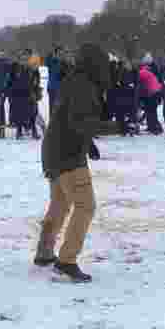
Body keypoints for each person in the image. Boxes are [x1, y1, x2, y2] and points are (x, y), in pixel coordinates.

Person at [35, 42, 110, 282]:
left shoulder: (74, 81)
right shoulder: (84, 86)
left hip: (54, 150)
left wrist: (89, 143)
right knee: (85, 206)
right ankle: (66, 261)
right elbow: (80, 122)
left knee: (60, 203)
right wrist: (113, 127)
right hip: (67, 155)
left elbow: (71, 120)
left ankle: (45, 252)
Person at [138, 59, 164, 134]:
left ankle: (156, 128)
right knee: (151, 111)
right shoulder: (148, 72)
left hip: (152, 94)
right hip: (155, 93)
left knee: (151, 111)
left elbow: (139, 82)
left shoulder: (142, 72)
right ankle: (152, 127)